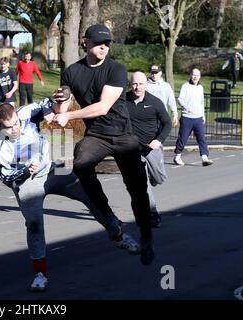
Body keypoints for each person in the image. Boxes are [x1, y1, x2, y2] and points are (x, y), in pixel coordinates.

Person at [0, 101, 139, 292]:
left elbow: (49, 102)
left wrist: (56, 106)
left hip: (51, 171)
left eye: (17, 123)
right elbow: (5, 177)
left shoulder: (25, 113)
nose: (16, 128)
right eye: (9, 127)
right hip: (26, 182)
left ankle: (117, 234)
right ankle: (40, 274)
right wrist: (25, 173)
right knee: (34, 224)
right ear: (0, 126)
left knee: (88, 192)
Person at [50, 24, 154, 266]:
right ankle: (108, 217)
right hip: (96, 134)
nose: (104, 47)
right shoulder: (71, 72)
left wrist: (70, 116)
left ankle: (147, 238)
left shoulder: (116, 69)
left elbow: (103, 107)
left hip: (122, 134)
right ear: (85, 42)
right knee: (81, 163)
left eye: (107, 44)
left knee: (137, 188)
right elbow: (61, 108)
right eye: (99, 43)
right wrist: (59, 105)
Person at [126, 71, 172, 229]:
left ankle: (154, 176)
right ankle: (153, 214)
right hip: (133, 150)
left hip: (152, 148)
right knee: (142, 184)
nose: (137, 87)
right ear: (130, 84)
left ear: (146, 85)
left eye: (140, 84)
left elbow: (167, 124)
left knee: (159, 179)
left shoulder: (155, 102)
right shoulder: (123, 101)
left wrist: (158, 140)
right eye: (134, 84)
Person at [173, 68, 214, 167]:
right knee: (183, 138)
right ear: (190, 75)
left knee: (201, 138)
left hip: (198, 118)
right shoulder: (185, 86)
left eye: (197, 75)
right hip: (187, 118)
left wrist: (203, 116)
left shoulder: (200, 88)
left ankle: (204, 157)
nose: (195, 77)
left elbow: (201, 102)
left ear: (200, 77)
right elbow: (180, 99)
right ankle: (177, 156)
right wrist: (186, 108)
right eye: (193, 75)